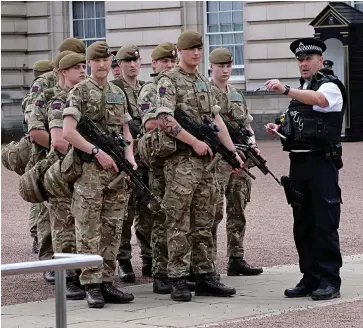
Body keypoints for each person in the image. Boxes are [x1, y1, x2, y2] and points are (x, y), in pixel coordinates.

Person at [154, 30, 242, 302]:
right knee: (178, 220)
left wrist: (231, 150)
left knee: (205, 219)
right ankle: (178, 278)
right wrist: (193, 141)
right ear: (179, 52)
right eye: (190, 49)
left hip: (206, 163)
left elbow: (217, 121)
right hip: (181, 161)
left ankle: (205, 275)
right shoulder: (168, 80)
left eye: (198, 49)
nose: (195, 53)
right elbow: (164, 118)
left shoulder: (204, 81)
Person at [265, 37, 346, 301]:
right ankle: (310, 277)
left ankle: (329, 280)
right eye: (300, 60)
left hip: (321, 163)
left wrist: (286, 90)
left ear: (320, 61)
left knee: (325, 223)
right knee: (303, 224)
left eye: (308, 59)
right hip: (298, 164)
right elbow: (295, 118)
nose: (303, 64)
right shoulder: (302, 88)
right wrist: (280, 127)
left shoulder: (329, 86)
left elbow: (320, 101)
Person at [62, 41, 135, 308]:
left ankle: (106, 281)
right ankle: (91, 284)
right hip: (91, 171)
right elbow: (69, 131)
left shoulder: (117, 91)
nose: (103, 65)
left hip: (116, 170)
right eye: (98, 60)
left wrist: (130, 156)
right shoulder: (80, 91)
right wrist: (95, 152)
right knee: (89, 228)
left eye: (107, 60)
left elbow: (127, 131)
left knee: (113, 227)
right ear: (89, 63)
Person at [209, 47, 263, 276]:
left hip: (241, 162)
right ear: (211, 67)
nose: (225, 70)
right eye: (221, 66)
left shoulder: (237, 94)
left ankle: (236, 257)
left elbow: (247, 124)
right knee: (212, 212)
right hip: (218, 160)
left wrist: (253, 144)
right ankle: (207, 262)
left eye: (229, 66)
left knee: (238, 209)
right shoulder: (206, 93)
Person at [27, 50, 77, 284]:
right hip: (52, 160)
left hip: (76, 160)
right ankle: (49, 260)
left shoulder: (80, 93)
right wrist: (62, 150)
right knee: (50, 213)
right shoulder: (46, 94)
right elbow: (35, 130)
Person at [45, 53, 87, 300]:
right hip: (64, 170)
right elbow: (59, 141)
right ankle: (68, 278)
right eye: (76, 67)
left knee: (84, 224)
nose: (82, 71)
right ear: (63, 72)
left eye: (83, 66)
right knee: (64, 225)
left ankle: (84, 273)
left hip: (83, 170)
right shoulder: (59, 101)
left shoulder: (83, 97)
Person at [139, 42, 178, 294]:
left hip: (179, 162)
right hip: (159, 163)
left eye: (172, 61)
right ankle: (160, 271)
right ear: (154, 64)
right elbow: (150, 123)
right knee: (161, 217)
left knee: (179, 218)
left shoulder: (173, 87)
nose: (169, 65)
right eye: (164, 61)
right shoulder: (150, 90)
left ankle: (179, 268)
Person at [115, 45, 152, 282]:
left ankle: (149, 257)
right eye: (127, 61)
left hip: (147, 158)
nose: (132, 65)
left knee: (147, 210)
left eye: (136, 61)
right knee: (124, 212)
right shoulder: (113, 90)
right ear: (119, 65)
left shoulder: (145, 88)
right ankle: (124, 260)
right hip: (126, 159)